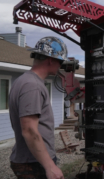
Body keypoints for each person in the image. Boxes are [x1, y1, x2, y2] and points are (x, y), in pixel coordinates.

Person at [9, 36, 68, 179]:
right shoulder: (32, 86)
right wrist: (50, 166)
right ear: (50, 60)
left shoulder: (23, 81)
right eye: (60, 61)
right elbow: (29, 130)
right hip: (34, 164)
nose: (60, 66)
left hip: (33, 160)